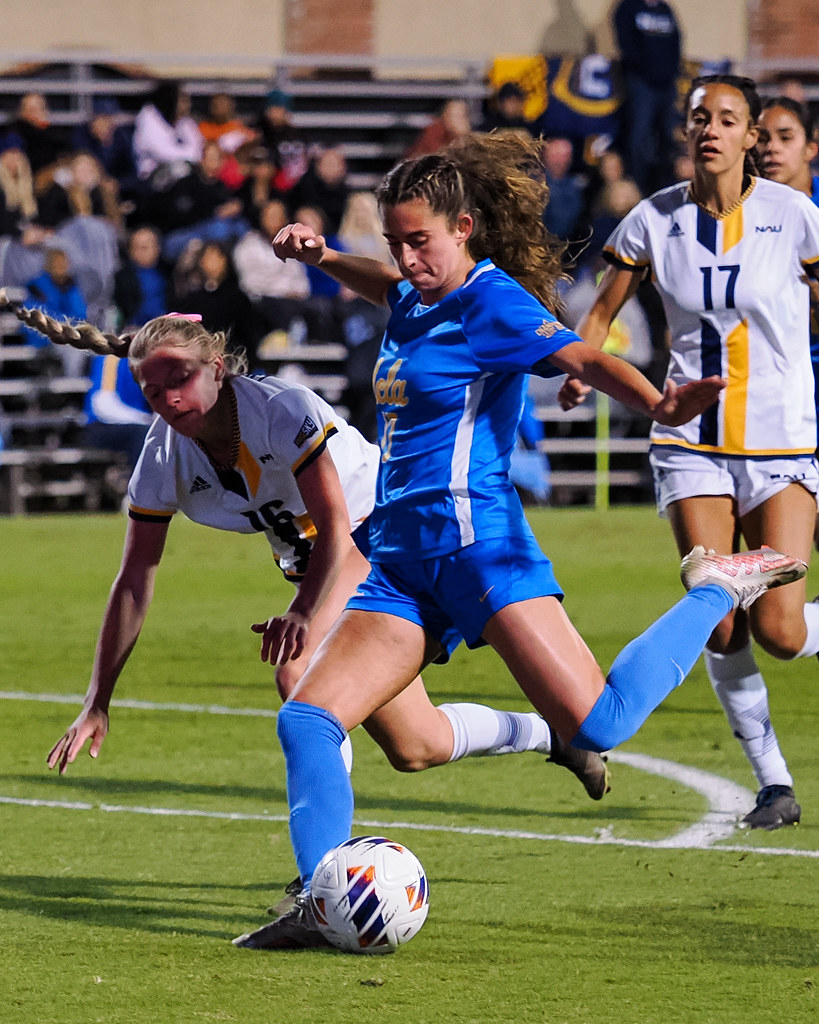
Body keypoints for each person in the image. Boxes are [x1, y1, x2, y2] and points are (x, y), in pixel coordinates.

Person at [232, 129, 805, 949]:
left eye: (419, 241)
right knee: (309, 719)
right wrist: (326, 256)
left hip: (479, 548)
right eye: (394, 241)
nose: (404, 256)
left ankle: (719, 584)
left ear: (463, 230)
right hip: (401, 560)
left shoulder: (491, 303)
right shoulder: (413, 295)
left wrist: (660, 404)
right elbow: (387, 288)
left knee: (599, 725)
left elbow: (583, 356)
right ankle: (324, 905)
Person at [0, 300, 613, 886]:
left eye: (180, 379)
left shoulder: (281, 408)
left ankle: (323, 877)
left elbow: (340, 537)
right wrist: (97, 698)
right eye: (152, 392)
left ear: (216, 367)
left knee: (299, 678)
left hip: (392, 542)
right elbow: (134, 578)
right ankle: (550, 736)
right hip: (324, 567)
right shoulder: (164, 454)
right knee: (416, 745)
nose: (169, 400)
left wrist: (301, 612)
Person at [559, 75, 819, 831]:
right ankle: (772, 783)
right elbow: (601, 313)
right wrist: (581, 371)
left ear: (750, 138)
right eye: (698, 117)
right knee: (717, 618)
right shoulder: (652, 219)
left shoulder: (794, 216)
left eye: (727, 119)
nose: (710, 128)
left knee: (779, 631)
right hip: (689, 442)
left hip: (781, 434)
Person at [613, 0, 682, 194]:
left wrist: (669, 73)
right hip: (641, 83)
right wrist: (645, 71)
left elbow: (676, 42)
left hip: (666, 84)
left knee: (668, 136)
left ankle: (665, 185)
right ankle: (639, 186)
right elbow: (626, 43)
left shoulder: (665, 9)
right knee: (639, 136)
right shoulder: (627, 7)